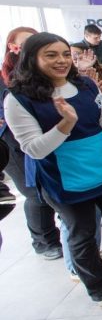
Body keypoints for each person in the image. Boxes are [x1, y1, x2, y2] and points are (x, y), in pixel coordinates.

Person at [4, 32, 102, 310]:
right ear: (31, 58)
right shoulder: (19, 99)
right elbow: (34, 149)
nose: (61, 60)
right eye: (51, 55)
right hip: (66, 180)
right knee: (83, 235)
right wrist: (65, 124)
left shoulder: (85, 85)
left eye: (65, 54)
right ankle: (99, 289)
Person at [0, 26, 62, 260]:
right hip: (11, 143)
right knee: (34, 193)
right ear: (12, 46)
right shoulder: (4, 78)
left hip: (44, 136)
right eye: (25, 42)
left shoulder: (42, 74)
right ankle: (44, 242)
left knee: (49, 189)